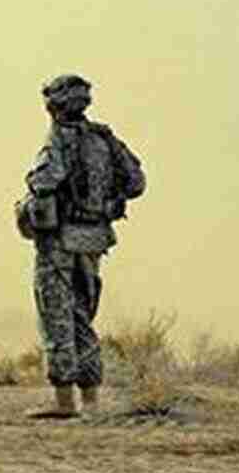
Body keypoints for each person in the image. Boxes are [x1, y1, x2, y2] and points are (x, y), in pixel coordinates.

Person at [14, 74, 146, 416]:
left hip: (60, 241)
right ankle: (91, 400)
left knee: (56, 315)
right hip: (95, 239)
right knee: (83, 315)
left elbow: (44, 181)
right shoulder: (104, 138)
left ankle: (64, 402)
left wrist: (27, 200)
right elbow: (136, 181)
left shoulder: (59, 138)